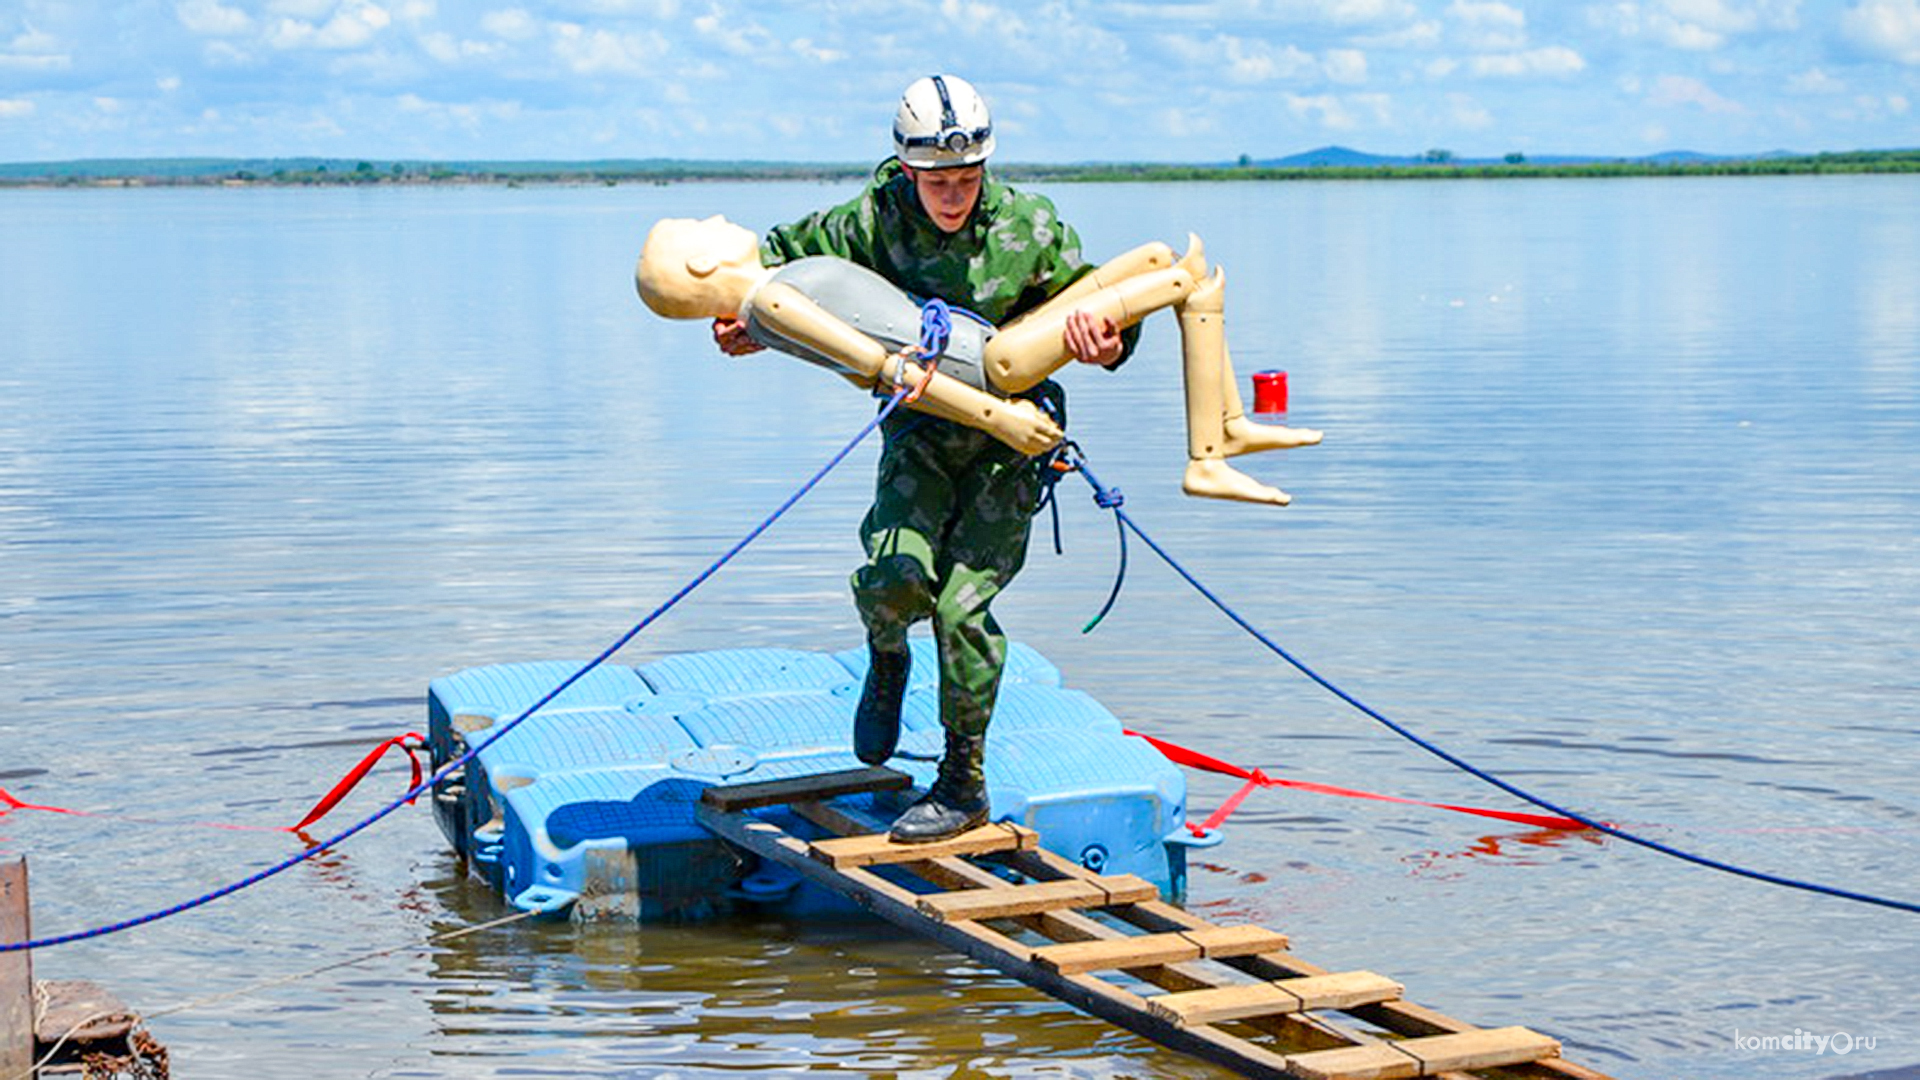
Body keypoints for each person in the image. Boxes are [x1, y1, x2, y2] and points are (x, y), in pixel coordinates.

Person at [637, 75, 1320, 843]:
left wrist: (1108, 343)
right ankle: (887, 656)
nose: (954, 196)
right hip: (919, 429)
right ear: (905, 170)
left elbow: (1090, 311)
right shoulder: (863, 222)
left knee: (963, 606)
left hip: (1013, 436)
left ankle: (962, 783)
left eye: (968, 179)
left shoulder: (1029, 224)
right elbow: (773, 278)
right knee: (895, 576)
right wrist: (739, 325)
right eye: (937, 182)